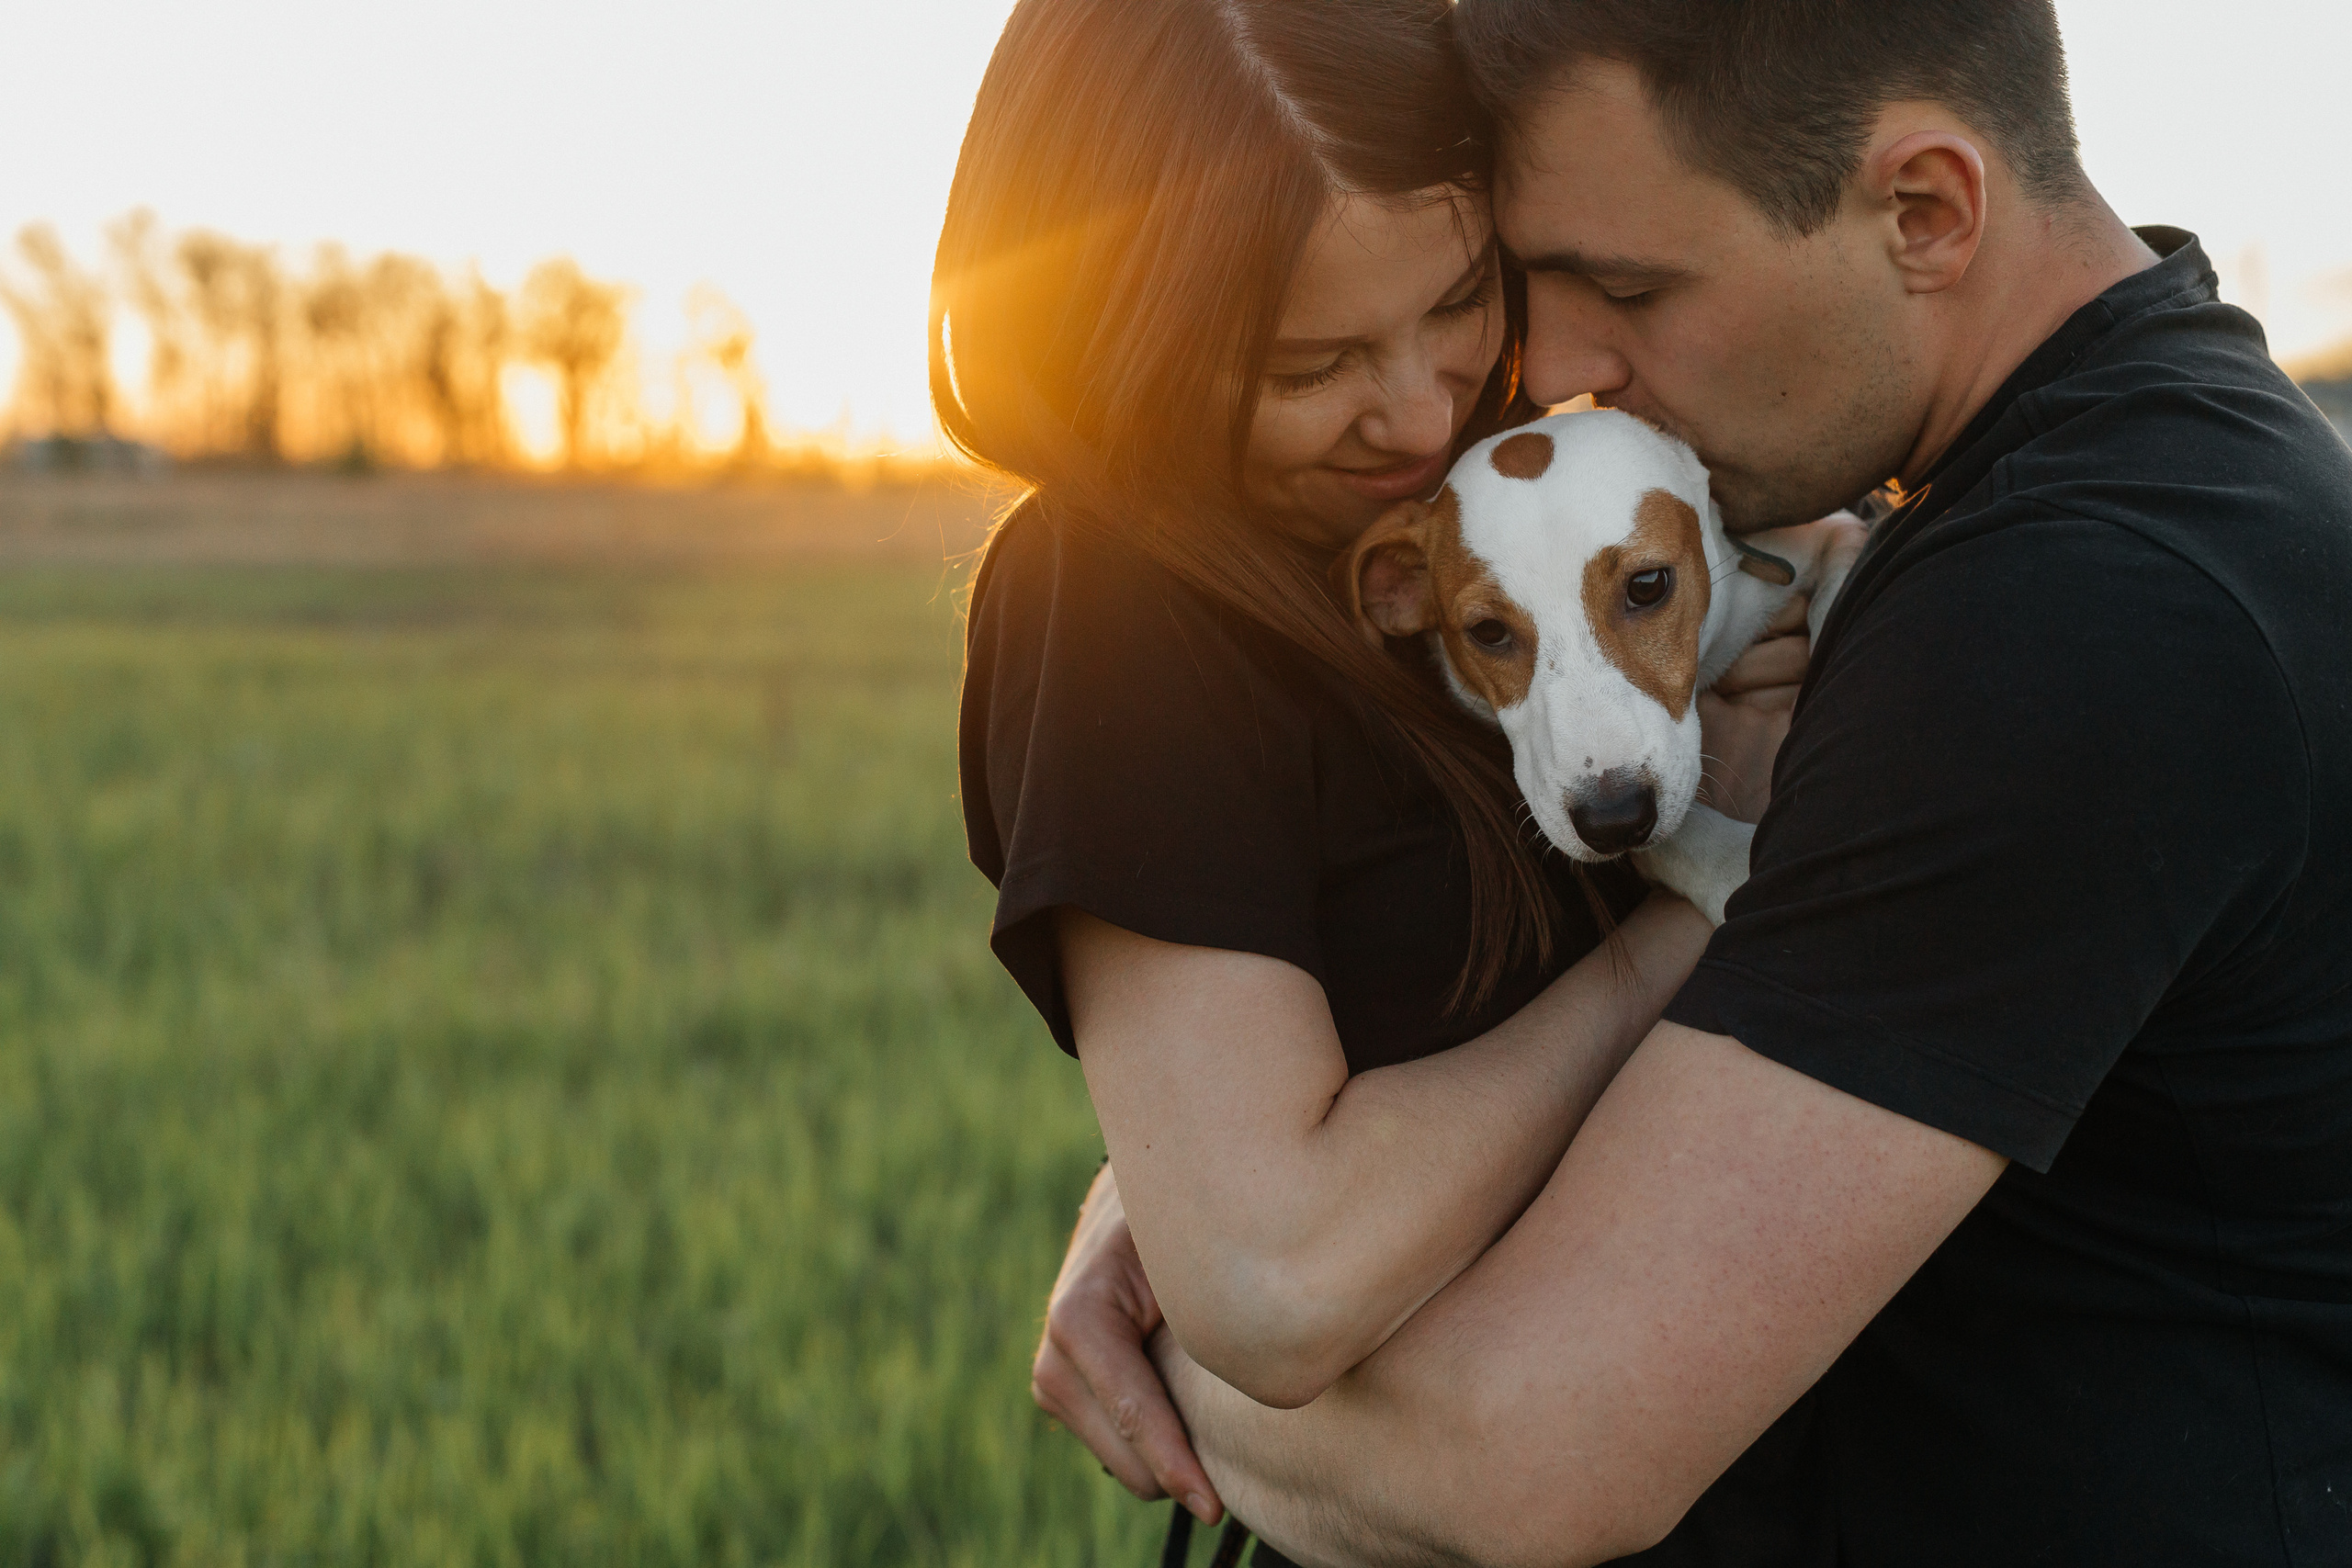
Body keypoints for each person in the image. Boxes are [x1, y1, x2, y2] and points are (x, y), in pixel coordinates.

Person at [1043, 3, 2352, 1564]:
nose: (1564, 368)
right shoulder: (2155, 463)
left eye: (1630, 285)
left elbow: (1514, 1458)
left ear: (1925, 209)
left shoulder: (2076, 619)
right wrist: (1183, 1171)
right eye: (1532, 284)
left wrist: (1198, 1311)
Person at [933, 3, 1809, 1562]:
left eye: (1462, 297)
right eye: (1308, 364)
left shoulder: (1543, 470)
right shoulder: (1126, 598)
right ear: (1116, 342)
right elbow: (1275, 1276)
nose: (1420, 412)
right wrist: (1691, 919)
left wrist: (1153, 1182)